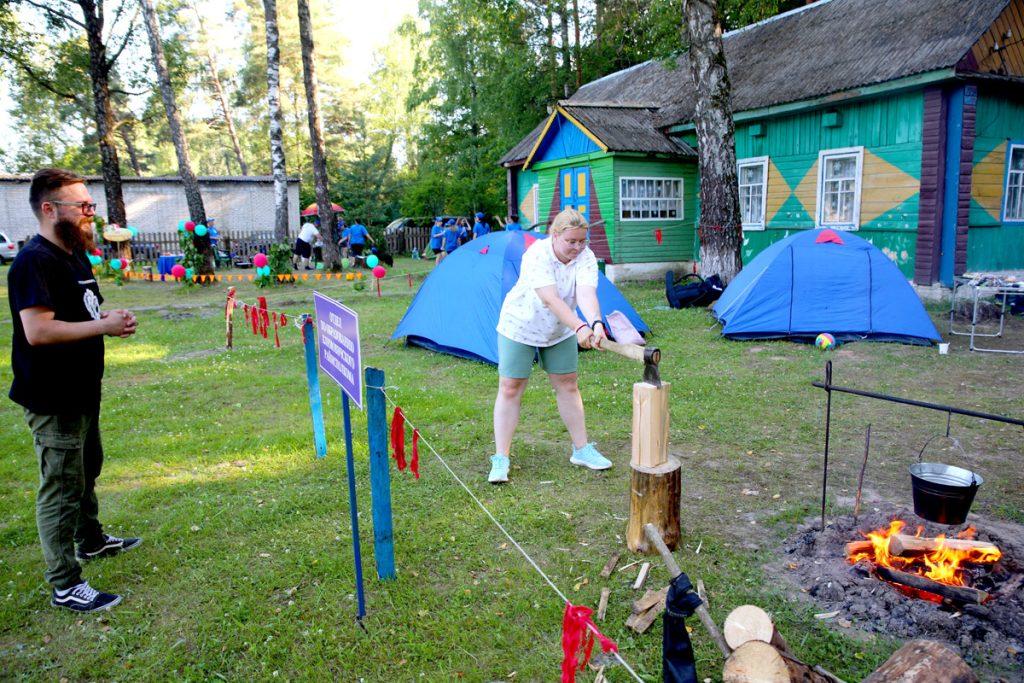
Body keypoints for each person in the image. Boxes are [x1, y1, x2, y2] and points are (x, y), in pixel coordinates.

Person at [8, 168, 141, 612]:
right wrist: (102, 325)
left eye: (90, 205)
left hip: (83, 388)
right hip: (52, 395)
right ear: (49, 209)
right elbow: (38, 331)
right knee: (62, 485)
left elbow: (84, 312)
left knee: (87, 469)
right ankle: (65, 583)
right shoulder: (34, 261)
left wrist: (109, 320)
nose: (90, 213)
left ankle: (91, 540)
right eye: (81, 206)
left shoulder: (74, 255)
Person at [488, 207, 610, 484]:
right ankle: (501, 458)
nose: (578, 247)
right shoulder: (536, 254)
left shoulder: (586, 257)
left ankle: (581, 449)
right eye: (571, 241)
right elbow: (551, 299)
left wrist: (596, 324)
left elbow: (586, 293)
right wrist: (579, 327)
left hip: (559, 330)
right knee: (510, 387)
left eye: (582, 241)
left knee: (568, 383)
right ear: (555, 235)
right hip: (521, 325)